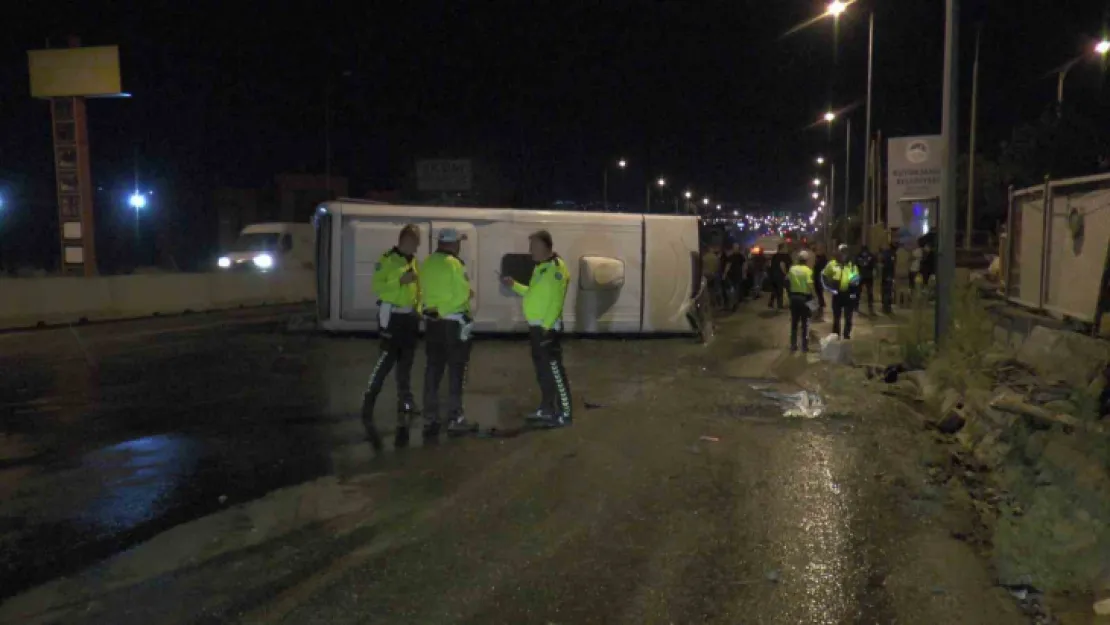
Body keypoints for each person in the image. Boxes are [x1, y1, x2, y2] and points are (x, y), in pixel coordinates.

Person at [501, 230, 573, 428]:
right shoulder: (541, 268)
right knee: (542, 372)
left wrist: (547, 329)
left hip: (546, 329)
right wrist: (514, 285)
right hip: (537, 328)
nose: (530, 251)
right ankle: (547, 408)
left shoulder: (556, 269)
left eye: (533, 247)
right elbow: (532, 293)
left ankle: (565, 413)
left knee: (555, 371)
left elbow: (556, 301)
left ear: (545, 247)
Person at [360, 224, 421, 450]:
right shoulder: (387, 260)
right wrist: (400, 282)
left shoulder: (412, 260)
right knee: (385, 361)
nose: (417, 246)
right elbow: (379, 289)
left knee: (406, 363)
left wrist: (419, 310)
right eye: (415, 241)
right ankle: (368, 402)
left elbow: (418, 289)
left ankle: (405, 401)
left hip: (408, 319)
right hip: (391, 316)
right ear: (404, 239)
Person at [420, 228, 476, 441]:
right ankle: (455, 418)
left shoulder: (428, 262)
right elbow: (462, 294)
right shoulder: (454, 263)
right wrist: (467, 293)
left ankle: (430, 415)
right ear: (453, 244)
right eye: (459, 242)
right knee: (456, 370)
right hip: (453, 323)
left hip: (432, 323)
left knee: (433, 369)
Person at [821, 244, 861, 340]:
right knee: (836, 318)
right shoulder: (832, 264)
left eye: (845, 252)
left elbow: (856, 280)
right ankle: (836, 335)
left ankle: (846, 335)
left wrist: (854, 287)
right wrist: (830, 288)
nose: (843, 255)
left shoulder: (852, 266)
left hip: (848, 294)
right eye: (842, 252)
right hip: (837, 295)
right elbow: (824, 276)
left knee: (848, 317)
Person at [787, 250, 816, 352]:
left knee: (794, 323)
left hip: (794, 298)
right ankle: (804, 346)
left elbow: (788, 281)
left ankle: (793, 345)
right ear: (806, 260)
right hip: (805, 298)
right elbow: (809, 284)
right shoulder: (808, 270)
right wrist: (814, 296)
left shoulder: (792, 269)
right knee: (805, 323)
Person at [767, 244, 791, 310]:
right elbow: (782, 265)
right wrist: (786, 274)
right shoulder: (785, 256)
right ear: (782, 248)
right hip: (782, 276)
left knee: (776, 290)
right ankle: (781, 305)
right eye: (786, 247)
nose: (787, 249)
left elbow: (770, 265)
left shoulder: (774, 256)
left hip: (774, 275)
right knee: (787, 289)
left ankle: (771, 303)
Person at [723, 243, 746, 310]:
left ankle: (734, 303)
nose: (735, 249)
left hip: (738, 275)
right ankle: (733, 303)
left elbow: (744, 265)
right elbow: (728, 266)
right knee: (733, 290)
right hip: (731, 275)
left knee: (736, 289)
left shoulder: (740, 256)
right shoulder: (731, 257)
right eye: (734, 247)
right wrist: (725, 274)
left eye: (736, 247)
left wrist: (744, 273)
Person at [855, 244, 877, 315]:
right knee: (868, 292)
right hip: (867, 276)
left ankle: (857, 306)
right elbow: (873, 265)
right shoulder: (870, 256)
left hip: (862, 276)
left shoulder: (859, 256)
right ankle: (869, 307)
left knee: (860, 292)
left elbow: (856, 264)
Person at [880, 240, 898, 314]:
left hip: (884, 274)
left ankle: (885, 306)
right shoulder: (893, 254)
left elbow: (882, 262)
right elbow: (893, 264)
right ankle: (887, 307)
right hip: (889, 274)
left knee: (885, 291)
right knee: (888, 291)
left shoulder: (885, 253)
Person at [813, 244, 829, 314]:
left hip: (819, 277)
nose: (818, 251)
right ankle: (820, 306)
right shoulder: (817, 257)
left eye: (819, 250)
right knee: (818, 293)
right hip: (816, 277)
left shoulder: (823, 258)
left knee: (818, 292)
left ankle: (819, 307)